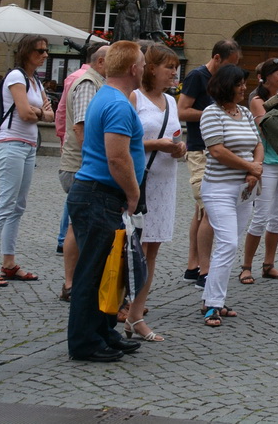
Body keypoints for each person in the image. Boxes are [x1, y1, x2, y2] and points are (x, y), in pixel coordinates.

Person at [66, 41, 146, 363]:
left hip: (96, 194)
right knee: (94, 272)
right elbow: (117, 157)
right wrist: (133, 192)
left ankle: (103, 332)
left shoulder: (108, 96)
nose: (143, 68)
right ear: (133, 68)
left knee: (104, 272)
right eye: (142, 63)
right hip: (99, 194)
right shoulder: (117, 104)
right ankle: (85, 342)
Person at [0, 35, 53, 287]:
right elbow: (24, 113)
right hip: (10, 143)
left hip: (29, 145)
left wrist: (39, 112)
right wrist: (40, 112)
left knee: (18, 206)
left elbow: (49, 115)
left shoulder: (35, 82)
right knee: (4, 204)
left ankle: (8, 262)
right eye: (40, 50)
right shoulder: (16, 76)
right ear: (26, 52)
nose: (44, 55)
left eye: (46, 50)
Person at [122, 42, 184, 342]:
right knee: (131, 248)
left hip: (164, 181)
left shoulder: (172, 102)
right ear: (151, 69)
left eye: (175, 66)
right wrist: (155, 145)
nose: (174, 71)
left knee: (152, 249)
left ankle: (137, 313)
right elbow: (123, 142)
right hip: (138, 181)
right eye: (168, 66)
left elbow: (173, 137)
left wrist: (178, 149)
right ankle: (120, 306)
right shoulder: (135, 97)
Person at [199, 64, 262, 325]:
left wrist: (254, 172)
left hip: (244, 190)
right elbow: (217, 151)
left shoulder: (245, 112)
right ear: (226, 86)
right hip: (219, 188)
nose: (244, 88)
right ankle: (212, 304)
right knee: (228, 243)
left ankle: (214, 299)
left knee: (228, 245)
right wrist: (250, 167)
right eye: (239, 84)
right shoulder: (211, 114)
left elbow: (258, 143)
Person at [177, 39, 240, 286]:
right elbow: (182, 111)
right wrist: (215, 114)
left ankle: (193, 265)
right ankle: (205, 270)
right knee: (209, 209)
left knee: (201, 211)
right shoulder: (197, 76)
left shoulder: (219, 81)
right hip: (199, 149)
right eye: (228, 65)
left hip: (215, 150)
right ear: (216, 58)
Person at [56, 43, 109, 300]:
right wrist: (95, 161)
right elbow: (81, 129)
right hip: (80, 166)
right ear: (100, 62)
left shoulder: (97, 82)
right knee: (79, 227)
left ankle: (74, 282)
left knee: (78, 226)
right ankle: (71, 284)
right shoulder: (89, 84)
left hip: (81, 164)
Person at [240, 58, 278, 284]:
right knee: (260, 217)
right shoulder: (257, 99)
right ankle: (246, 266)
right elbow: (271, 125)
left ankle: (269, 264)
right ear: (268, 76)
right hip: (268, 164)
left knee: (277, 218)